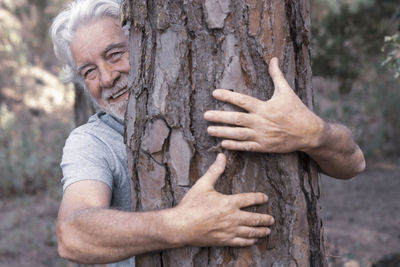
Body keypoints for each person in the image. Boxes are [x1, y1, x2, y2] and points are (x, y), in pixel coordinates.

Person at [50, 0, 365, 266]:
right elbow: (72, 235)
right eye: (88, 71)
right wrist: (180, 225)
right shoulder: (91, 142)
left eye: (115, 54)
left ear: (144, 44)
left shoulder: (233, 91)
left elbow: (353, 163)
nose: (106, 78)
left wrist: (315, 134)